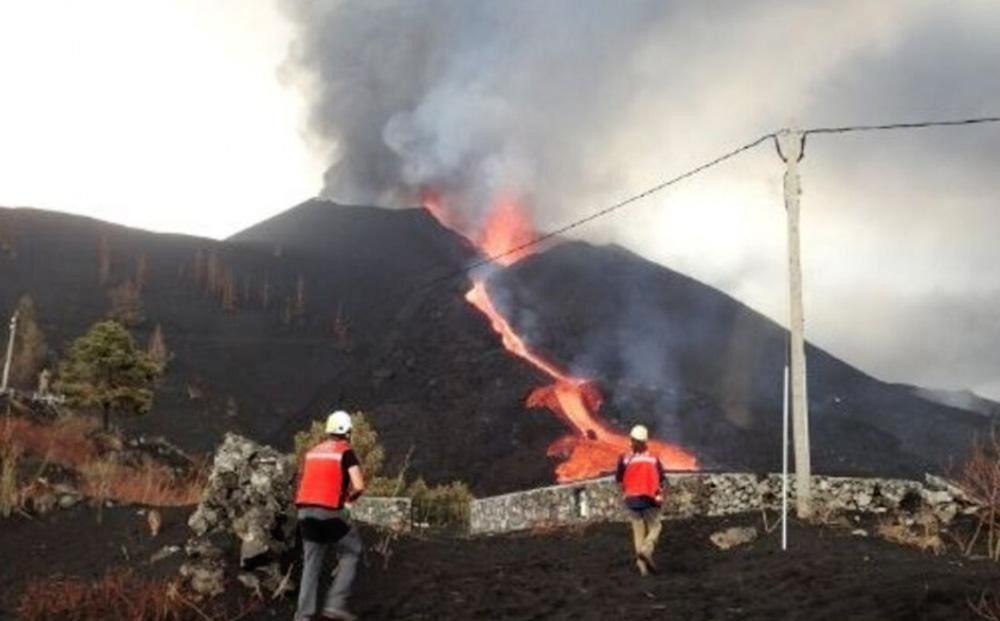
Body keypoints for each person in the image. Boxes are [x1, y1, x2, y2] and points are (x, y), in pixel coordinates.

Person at [295, 410, 366, 621]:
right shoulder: (345, 451)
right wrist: (349, 501)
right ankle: (335, 604)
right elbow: (359, 484)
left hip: (304, 512)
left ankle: (303, 616)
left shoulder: (313, 451)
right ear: (347, 431)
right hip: (329, 511)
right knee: (352, 550)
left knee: (311, 562)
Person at [615, 424, 666, 576]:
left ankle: (642, 567)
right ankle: (646, 550)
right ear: (645, 442)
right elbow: (661, 478)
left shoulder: (624, 459)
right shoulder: (653, 458)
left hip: (631, 499)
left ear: (632, 440)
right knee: (656, 526)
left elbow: (619, 478)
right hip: (649, 499)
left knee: (638, 532)